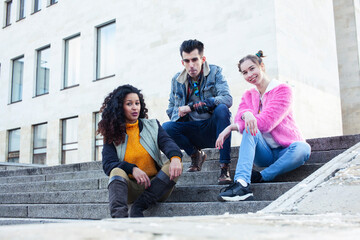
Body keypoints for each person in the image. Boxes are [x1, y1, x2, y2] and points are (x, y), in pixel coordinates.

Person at [216, 51, 311, 201]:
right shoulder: (248, 95)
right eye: (245, 72)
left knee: (303, 148)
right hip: (263, 153)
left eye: (252, 68)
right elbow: (239, 117)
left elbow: (267, 123)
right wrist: (243, 117)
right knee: (249, 127)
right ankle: (241, 183)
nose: (249, 74)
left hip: (287, 151)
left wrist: (240, 121)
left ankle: (261, 176)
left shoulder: (282, 90)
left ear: (262, 66)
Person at [98, 84, 183, 218]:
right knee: (116, 171)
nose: (134, 107)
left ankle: (139, 206)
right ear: (120, 107)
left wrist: (176, 158)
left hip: (156, 187)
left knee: (175, 162)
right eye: (129, 104)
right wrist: (132, 169)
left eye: (137, 103)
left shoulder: (153, 126)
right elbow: (108, 165)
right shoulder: (112, 134)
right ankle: (119, 219)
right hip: (131, 188)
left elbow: (168, 144)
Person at [162, 39, 233, 185]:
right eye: (186, 61)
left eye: (194, 59)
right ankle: (196, 155)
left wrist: (193, 106)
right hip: (192, 129)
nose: (191, 65)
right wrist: (179, 112)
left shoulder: (215, 72)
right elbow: (171, 108)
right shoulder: (177, 80)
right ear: (182, 62)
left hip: (214, 130)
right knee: (166, 127)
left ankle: (224, 166)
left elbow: (227, 99)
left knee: (222, 109)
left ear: (203, 59)